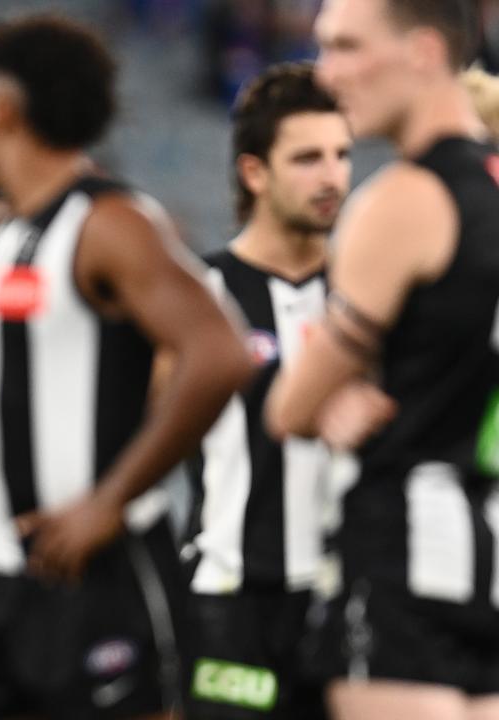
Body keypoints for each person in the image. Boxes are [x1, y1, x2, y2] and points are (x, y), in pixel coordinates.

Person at [0, 14, 253, 720]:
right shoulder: (8, 240)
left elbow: (218, 353)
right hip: (0, 582)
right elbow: (3, 390)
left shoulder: (112, 222)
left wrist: (109, 501)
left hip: (100, 579)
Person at [265, 1, 499, 719]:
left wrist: (332, 395)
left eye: (346, 48)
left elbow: (289, 407)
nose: (327, 74)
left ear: (424, 52)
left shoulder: (400, 202)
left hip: (398, 560)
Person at [182, 61, 352, 720]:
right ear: (255, 172)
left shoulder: (373, 299)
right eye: (308, 157)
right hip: (229, 605)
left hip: (349, 599)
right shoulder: (198, 298)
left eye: (341, 154)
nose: (333, 175)